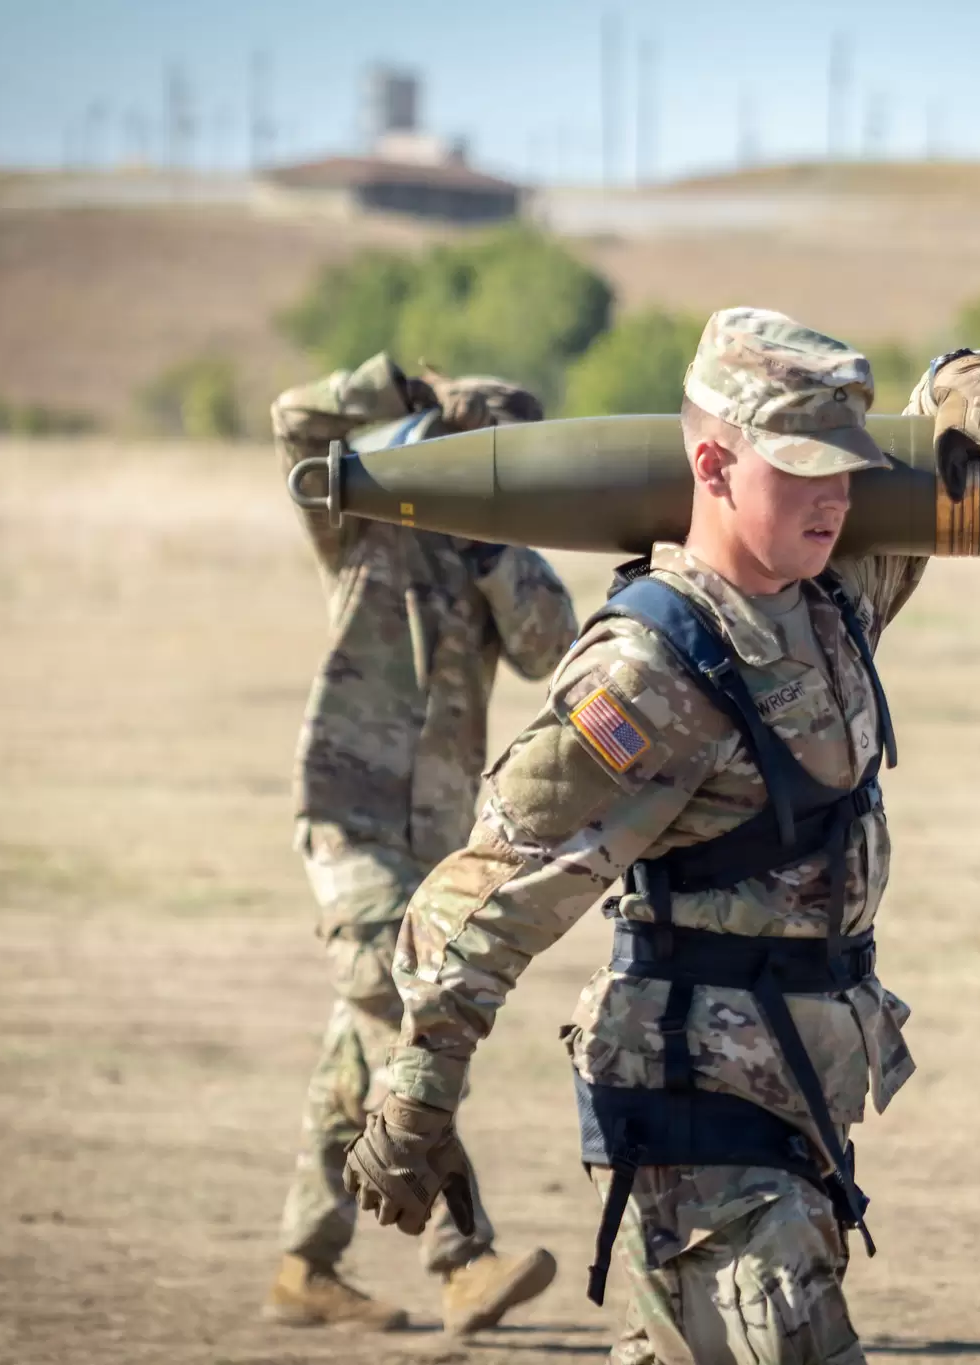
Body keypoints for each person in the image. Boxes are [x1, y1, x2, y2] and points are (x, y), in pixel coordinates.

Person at [338, 309, 980, 1362]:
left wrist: (963, 386)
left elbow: (951, 441)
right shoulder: (648, 672)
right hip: (692, 1116)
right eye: (800, 470)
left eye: (847, 469)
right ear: (711, 463)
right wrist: (416, 1098)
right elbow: (484, 894)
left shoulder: (826, 603)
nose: (835, 497)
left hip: (794, 1103)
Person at [264, 355, 578, 1334]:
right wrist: (393, 390)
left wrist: (487, 537)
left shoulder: (491, 559)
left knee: (355, 1052)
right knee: (406, 1028)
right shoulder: (361, 524)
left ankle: (303, 1263)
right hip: (347, 820)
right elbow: (293, 421)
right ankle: (461, 1256)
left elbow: (548, 645)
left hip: (431, 841)